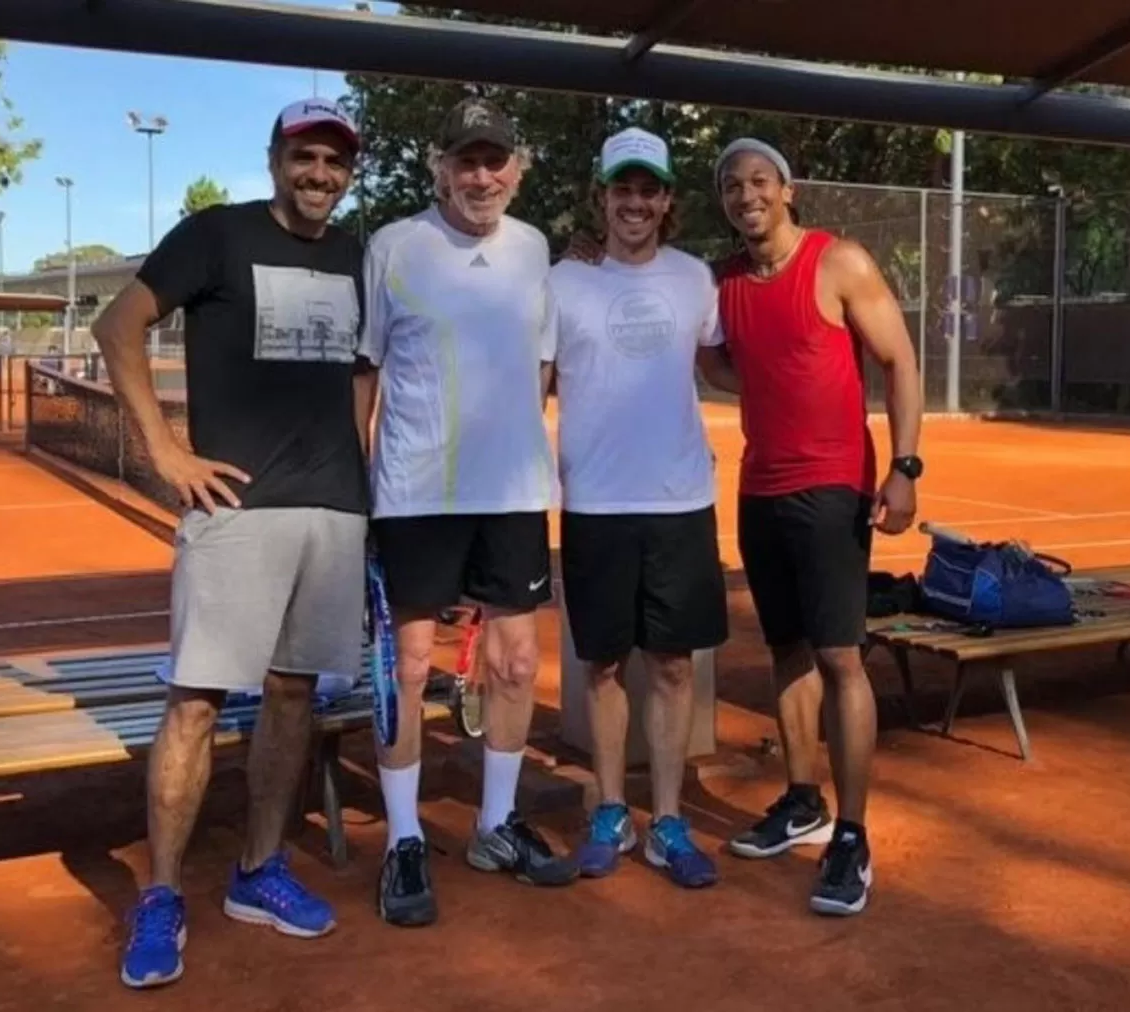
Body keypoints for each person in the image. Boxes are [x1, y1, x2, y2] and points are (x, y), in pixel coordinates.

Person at [92, 97, 369, 988]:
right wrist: (165, 451)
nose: (317, 174)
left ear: (348, 172)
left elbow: (366, 372)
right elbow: (117, 324)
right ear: (274, 160)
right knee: (197, 703)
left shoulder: (365, 255)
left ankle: (259, 870)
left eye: (333, 161)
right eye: (304, 157)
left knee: (293, 698)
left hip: (333, 513)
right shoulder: (214, 234)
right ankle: (164, 895)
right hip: (235, 513)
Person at [358, 96, 577, 928]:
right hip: (415, 495)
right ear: (439, 168)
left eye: (495, 161)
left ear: (516, 170)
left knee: (517, 665)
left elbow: (545, 366)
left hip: (514, 496)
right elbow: (365, 372)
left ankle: (494, 826)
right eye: (466, 161)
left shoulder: (534, 251)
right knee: (409, 668)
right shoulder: (393, 249)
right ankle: (406, 838)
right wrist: (358, 484)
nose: (481, 176)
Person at [700, 138, 923, 917]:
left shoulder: (839, 262)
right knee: (787, 649)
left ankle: (852, 835)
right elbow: (718, 363)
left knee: (838, 657)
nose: (746, 195)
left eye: (759, 181)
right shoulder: (721, 281)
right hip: (760, 488)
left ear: (787, 190)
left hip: (833, 490)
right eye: (732, 186)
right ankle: (802, 800)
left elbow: (898, 359)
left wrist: (906, 467)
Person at [548, 127, 727, 889]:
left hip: (681, 500)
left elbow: (721, 362)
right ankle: (612, 810)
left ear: (666, 202)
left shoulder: (696, 279)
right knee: (604, 666)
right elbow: (537, 383)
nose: (634, 203)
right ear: (602, 197)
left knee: (676, 665)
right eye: (621, 189)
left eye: (648, 190)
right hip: (594, 501)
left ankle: (671, 821)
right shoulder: (562, 280)